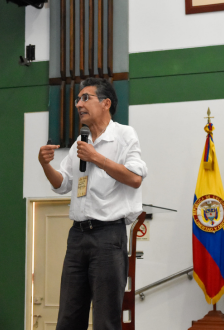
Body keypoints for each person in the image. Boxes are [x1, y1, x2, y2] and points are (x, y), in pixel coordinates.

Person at [38, 77, 147, 330]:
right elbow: (62, 183)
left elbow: (135, 178)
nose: (78, 104)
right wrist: (45, 165)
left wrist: (96, 157)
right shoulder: (80, 142)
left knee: (105, 320)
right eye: (78, 99)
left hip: (108, 236)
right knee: (68, 318)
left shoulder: (124, 135)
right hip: (77, 236)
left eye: (86, 98)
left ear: (106, 103)